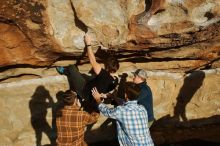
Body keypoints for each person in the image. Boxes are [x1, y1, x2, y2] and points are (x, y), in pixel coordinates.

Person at [56, 34, 119, 105]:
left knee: (72, 68)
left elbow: (92, 61)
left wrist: (88, 43)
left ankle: (65, 71)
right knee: (84, 75)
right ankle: (76, 80)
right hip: (92, 88)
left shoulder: (104, 75)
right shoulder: (116, 80)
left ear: (106, 66)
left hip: (84, 91)